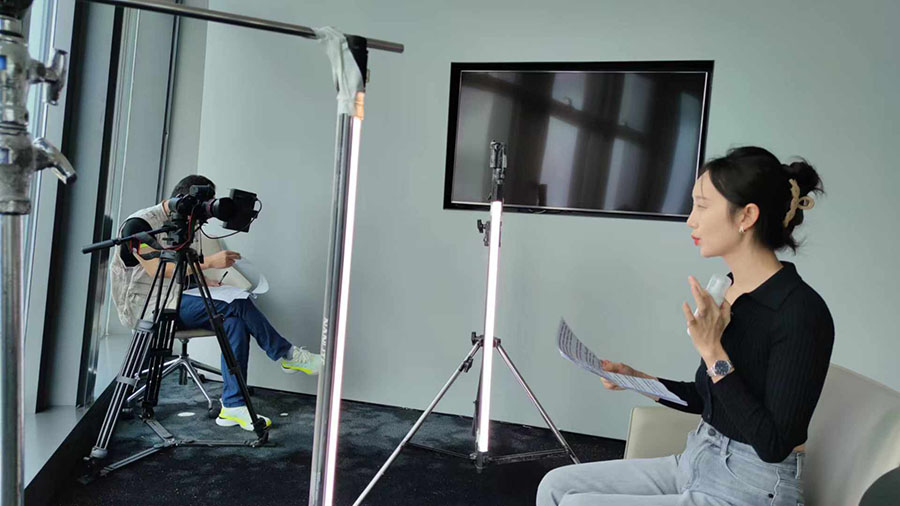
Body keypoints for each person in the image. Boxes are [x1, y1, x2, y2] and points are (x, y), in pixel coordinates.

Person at [537, 146, 834, 506]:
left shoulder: (801, 312)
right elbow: (708, 397)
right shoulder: (730, 289)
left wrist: (713, 351)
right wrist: (636, 378)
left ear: (747, 215)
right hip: (698, 458)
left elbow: (773, 444)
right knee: (555, 486)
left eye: (702, 206)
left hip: (754, 487)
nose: (691, 220)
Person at [109, 174, 323, 431]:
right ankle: (286, 354)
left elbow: (179, 266)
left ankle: (233, 406)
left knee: (234, 321)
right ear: (184, 200)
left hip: (177, 296)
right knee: (236, 305)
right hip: (147, 305)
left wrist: (200, 281)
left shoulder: (186, 224)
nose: (203, 219)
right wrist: (210, 263)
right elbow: (156, 269)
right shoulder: (139, 224)